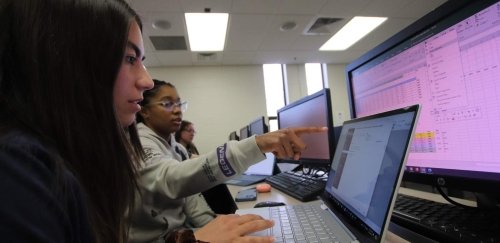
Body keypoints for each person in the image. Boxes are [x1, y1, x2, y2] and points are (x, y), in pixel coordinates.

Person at [0, 0, 326, 242]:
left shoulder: (80, 156)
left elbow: (187, 203)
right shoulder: (21, 165)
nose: (144, 80)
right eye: (130, 59)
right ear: (69, 61)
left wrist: (215, 227)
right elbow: (173, 181)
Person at [132, 80, 216, 242]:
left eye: (179, 104)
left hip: (179, 233)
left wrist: (215, 226)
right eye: (167, 104)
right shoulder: (138, 143)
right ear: (144, 111)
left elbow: (191, 201)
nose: (177, 111)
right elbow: (171, 179)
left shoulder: (178, 149)